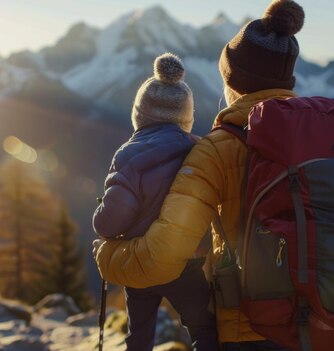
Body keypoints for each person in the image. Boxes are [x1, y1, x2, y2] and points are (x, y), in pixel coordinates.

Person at [94, 0, 305, 350]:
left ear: (232, 79)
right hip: (330, 313)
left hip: (253, 322)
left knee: (145, 332)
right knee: (200, 325)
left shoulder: (216, 149)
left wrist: (108, 256)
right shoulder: (319, 133)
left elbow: (161, 254)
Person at [92, 53, 219, 351]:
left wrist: (100, 212)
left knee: (139, 334)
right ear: (186, 117)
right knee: (204, 328)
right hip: (186, 264)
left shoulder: (128, 155)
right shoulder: (199, 152)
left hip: (140, 264)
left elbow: (109, 223)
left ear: (140, 114)